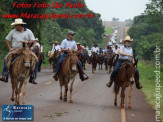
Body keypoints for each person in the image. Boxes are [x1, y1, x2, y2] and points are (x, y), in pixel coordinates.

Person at [0, 18, 38, 84]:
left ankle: (33, 76)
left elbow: (34, 41)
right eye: (15, 25)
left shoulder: (28, 31)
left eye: (16, 25)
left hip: (26, 50)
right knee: (6, 58)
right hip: (16, 50)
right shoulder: (13, 31)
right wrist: (10, 48)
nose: (15, 26)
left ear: (20, 25)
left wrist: (27, 42)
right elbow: (7, 39)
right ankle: (5, 75)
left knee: (36, 60)